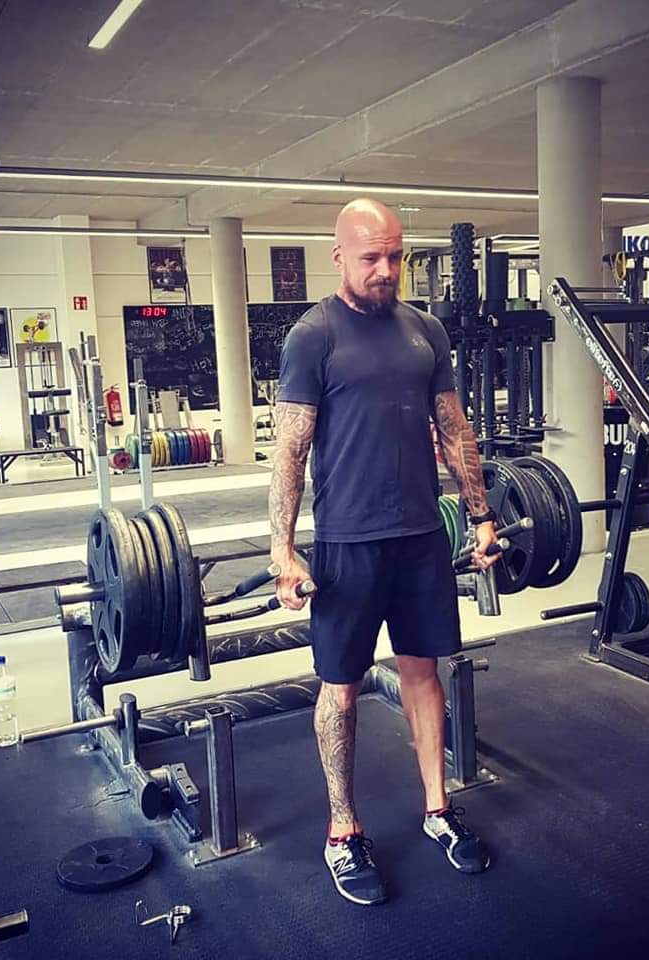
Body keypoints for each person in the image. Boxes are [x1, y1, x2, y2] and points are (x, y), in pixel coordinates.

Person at [269, 198, 500, 906]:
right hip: (348, 543)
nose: (386, 269)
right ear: (338, 255)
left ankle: (437, 809)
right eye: (371, 257)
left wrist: (481, 514)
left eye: (395, 256)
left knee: (424, 672)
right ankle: (343, 831)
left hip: (421, 536)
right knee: (340, 687)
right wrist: (283, 550)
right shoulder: (313, 336)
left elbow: (454, 429)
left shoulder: (425, 330)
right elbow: (290, 451)